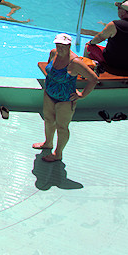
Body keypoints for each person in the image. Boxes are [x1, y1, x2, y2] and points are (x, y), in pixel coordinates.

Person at [32, 34, 99, 163]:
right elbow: (49, 69)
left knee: (62, 127)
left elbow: (94, 79)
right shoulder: (53, 53)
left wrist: (82, 95)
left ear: (69, 45)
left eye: (63, 46)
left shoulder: (75, 63)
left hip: (65, 100)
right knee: (48, 120)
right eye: (58, 45)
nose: (60, 48)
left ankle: (58, 153)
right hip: (49, 94)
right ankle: (48, 143)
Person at [85, 1, 128, 74]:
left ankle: (86, 73)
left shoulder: (114, 25)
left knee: (88, 47)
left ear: (123, 12)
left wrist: (90, 42)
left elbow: (99, 38)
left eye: (119, 8)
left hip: (114, 62)